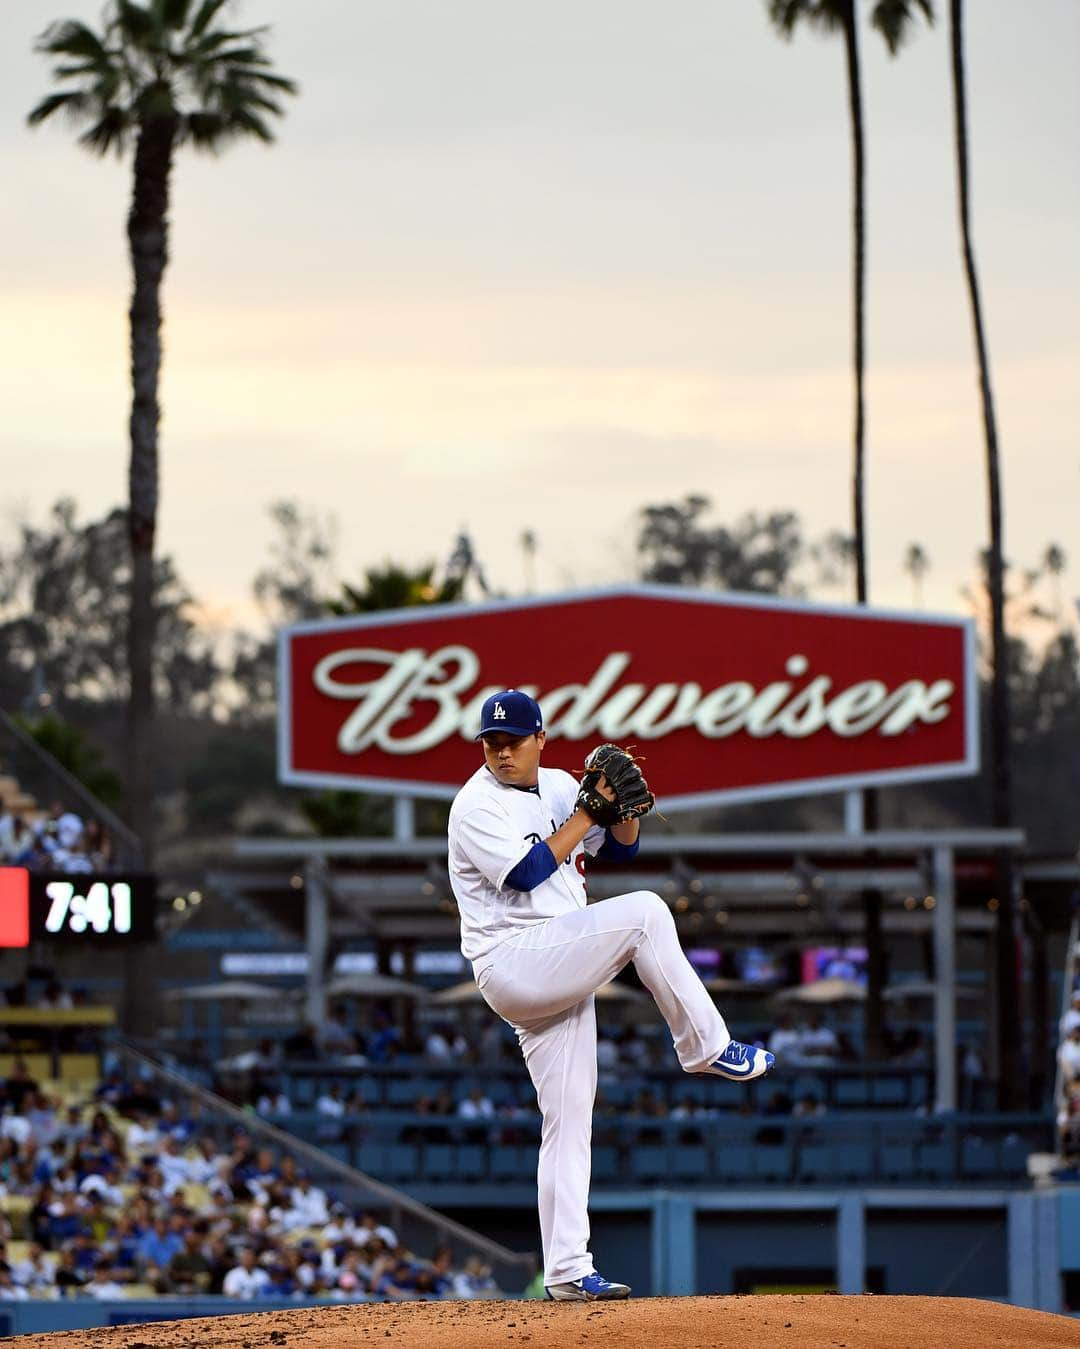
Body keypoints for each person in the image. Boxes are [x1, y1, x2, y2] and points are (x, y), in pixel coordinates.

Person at [447, 689, 773, 1303]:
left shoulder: (559, 785)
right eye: (491, 744)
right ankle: (707, 1046)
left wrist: (621, 808)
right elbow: (525, 874)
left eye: (513, 742)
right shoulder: (474, 805)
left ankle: (567, 1270)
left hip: (558, 958)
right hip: (514, 960)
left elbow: (622, 846)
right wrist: (587, 813)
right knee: (647, 913)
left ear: (540, 738)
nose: (501, 753)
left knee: (569, 1122)